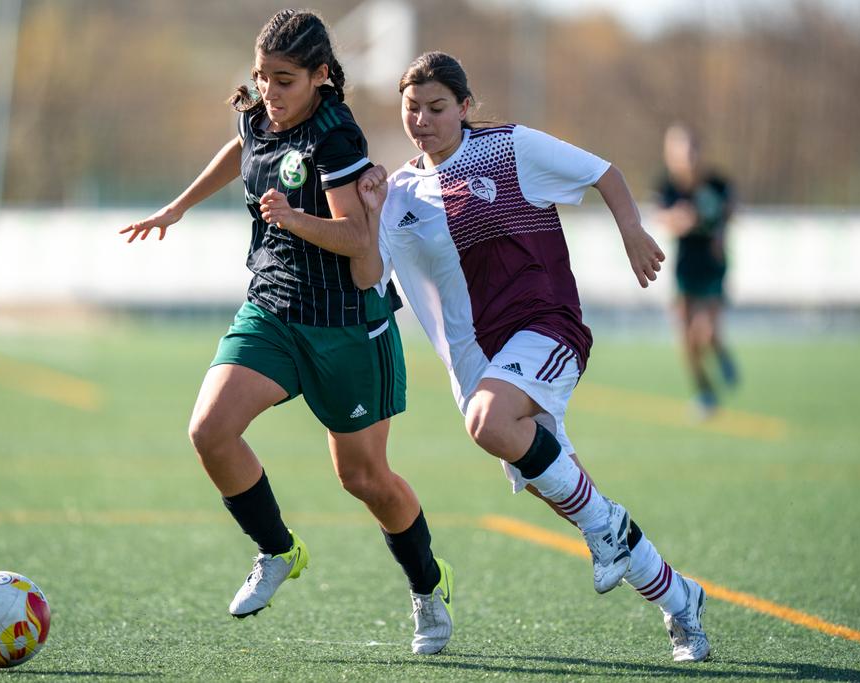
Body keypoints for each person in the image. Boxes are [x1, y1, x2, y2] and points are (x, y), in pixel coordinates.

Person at [352, 52, 709, 663]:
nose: (422, 120)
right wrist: (366, 213)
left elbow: (604, 173)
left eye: (437, 107)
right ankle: (679, 597)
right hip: (479, 367)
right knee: (567, 492)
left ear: (465, 107)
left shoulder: (508, 148)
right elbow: (372, 279)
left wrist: (631, 230)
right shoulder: (399, 192)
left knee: (492, 425)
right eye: (412, 108)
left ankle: (608, 530)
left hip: (545, 330)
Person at [119, 11, 452, 655]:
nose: (269, 91)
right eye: (262, 76)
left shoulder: (336, 137)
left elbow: (358, 242)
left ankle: (428, 587)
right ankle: (277, 550)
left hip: (346, 324)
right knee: (209, 431)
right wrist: (180, 205)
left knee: (364, 479)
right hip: (273, 307)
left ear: (320, 76)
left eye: (284, 80)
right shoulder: (258, 114)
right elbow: (243, 148)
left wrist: (293, 218)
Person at [654, 123, 737, 418]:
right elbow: (661, 217)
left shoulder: (716, 183)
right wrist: (679, 220)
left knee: (705, 331)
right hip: (685, 266)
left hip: (712, 264)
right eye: (679, 151)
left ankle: (721, 352)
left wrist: (720, 233)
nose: (686, 157)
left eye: (690, 150)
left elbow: (731, 211)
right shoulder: (669, 187)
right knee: (686, 337)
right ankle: (704, 391)